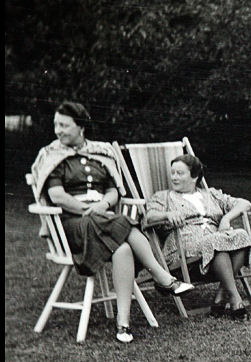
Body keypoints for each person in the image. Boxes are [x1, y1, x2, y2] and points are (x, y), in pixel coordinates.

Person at [30, 102, 194, 343]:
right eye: (56, 125)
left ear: (81, 127)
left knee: (124, 248)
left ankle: (123, 324)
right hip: (73, 224)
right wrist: (89, 209)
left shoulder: (101, 153)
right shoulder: (53, 156)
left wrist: (103, 205)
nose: (58, 131)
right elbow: (57, 196)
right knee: (122, 223)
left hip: (103, 218)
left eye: (64, 125)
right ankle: (162, 277)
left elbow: (113, 191)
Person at [144, 154, 251, 319]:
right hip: (182, 247)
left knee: (240, 235)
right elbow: (149, 217)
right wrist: (167, 214)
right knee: (218, 242)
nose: (174, 177)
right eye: (172, 173)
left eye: (180, 173)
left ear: (194, 176)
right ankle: (234, 298)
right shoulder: (164, 197)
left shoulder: (211, 194)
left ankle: (221, 296)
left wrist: (226, 218)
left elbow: (245, 203)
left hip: (215, 241)